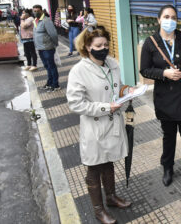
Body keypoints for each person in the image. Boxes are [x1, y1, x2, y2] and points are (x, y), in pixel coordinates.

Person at [66, 26, 132, 224]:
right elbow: (75, 104)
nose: (103, 48)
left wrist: (128, 90)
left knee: (109, 161)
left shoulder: (112, 63)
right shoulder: (78, 71)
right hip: (95, 128)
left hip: (113, 124)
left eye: (106, 44)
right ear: (87, 46)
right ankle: (98, 210)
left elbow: (117, 86)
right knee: (94, 168)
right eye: (98, 45)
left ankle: (111, 198)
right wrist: (105, 107)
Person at [140, 5, 181, 187]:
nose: (170, 20)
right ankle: (167, 168)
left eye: (174, 17)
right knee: (168, 137)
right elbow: (144, 70)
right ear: (159, 20)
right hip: (165, 99)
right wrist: (164, 74)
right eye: (166, 17)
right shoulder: (151, 42)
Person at [33, 4, 60, 92]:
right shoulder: (35, 21)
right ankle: (49, 82)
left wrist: (55, 44)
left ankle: (55, 85)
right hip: (40, 48)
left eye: (37, 11)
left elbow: (53, 34)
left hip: (47, 48)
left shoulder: (46, 20)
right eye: (34, 11)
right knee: (47, 66)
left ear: (41, 11)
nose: (36, 12)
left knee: (51, 66)